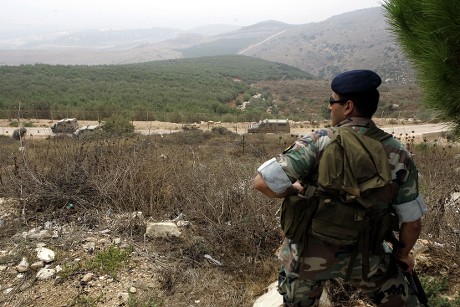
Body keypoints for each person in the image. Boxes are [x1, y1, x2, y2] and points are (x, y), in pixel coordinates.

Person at [253, 69, 427, 306]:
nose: (329, 107)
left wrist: (295, 189)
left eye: (332, 101)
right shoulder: (399, 152)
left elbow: (262, 183)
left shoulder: (317, 142)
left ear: (348, 107)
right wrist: (402, 253)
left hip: (309, 256)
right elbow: (412, 222)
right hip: (367, 256)